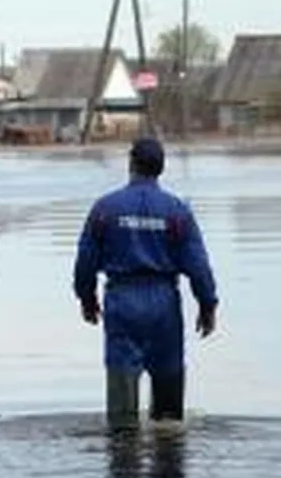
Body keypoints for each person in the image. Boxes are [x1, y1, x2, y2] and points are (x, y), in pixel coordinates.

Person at [72, 136, 219, 429]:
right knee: (168, 416)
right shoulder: (177, 211)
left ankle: (123, 456)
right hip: (164, 303)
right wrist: (207, 304)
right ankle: (168, 461)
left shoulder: (105, 209)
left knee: (121, 412)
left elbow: (85, 260)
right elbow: (197, 264)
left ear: (131, 164)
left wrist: (87, 299)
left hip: (122, 302)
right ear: (161, 169)